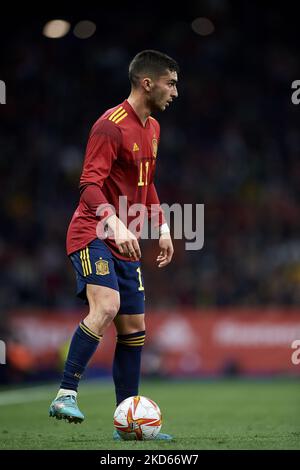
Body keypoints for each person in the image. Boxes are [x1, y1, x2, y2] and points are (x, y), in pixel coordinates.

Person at [49, 50, 179, 440]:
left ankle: (130, 422)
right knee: (107, 305)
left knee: (135, 329)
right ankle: (65, 393)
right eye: (171, 83)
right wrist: (114, 223)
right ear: (147, 83)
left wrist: (163, 226)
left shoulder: (153, 128)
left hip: (125, 239)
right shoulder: (110, 125)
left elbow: (147, 182)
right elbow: (89, 184)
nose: (176, 91)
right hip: (93, 231)